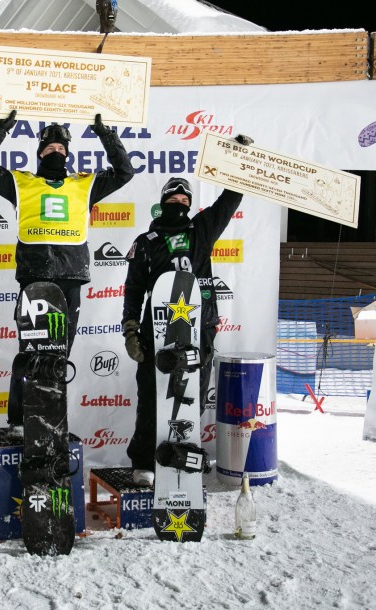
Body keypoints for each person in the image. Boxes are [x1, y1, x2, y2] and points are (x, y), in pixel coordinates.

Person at [0, 111, 135, 436]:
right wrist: (1, 129)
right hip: (34, 278)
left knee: (60, 355)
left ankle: (52, 417)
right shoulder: (21, 183)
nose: (56, 152)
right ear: (39, 153)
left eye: (61, 149)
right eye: (49, 149)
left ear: (68, 154)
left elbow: (125, 172)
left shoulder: (84, 184)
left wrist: (104, 133)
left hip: (71, 277)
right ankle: (19, 420)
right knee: (30, 352)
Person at [120, 134, 253, 485]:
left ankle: (184, 458)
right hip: (157, 325)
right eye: (174, 198)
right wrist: (131, 328)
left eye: (185, 198)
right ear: (163, 203)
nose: (179, 202)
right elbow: (133, 289)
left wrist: (236, 157)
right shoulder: (145, 242)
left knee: (190, 395)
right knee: (150, 395)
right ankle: (144, 460)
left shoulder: (201, 230)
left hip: (198, 324)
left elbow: (230, 198)